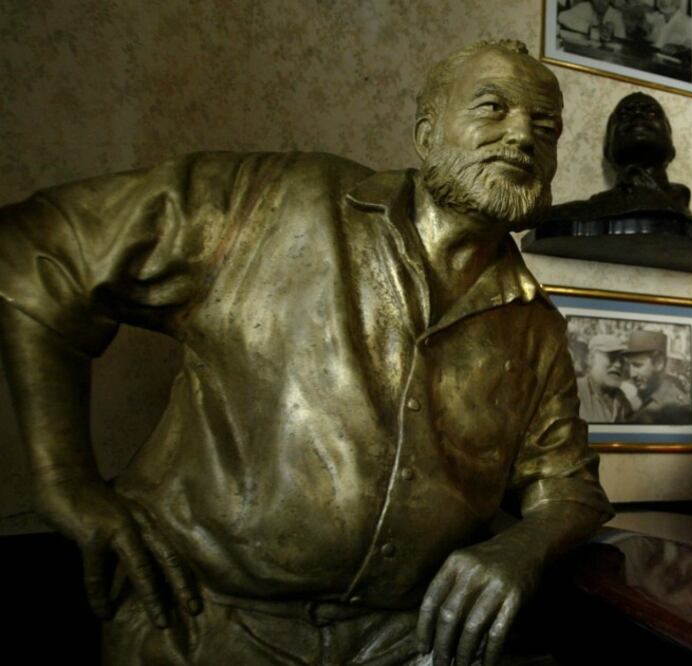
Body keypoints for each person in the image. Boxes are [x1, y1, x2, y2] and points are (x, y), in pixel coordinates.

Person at [0, 40, 613, 665]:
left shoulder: (535, 326)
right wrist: (62, 481)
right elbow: (35, 250)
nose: (521, 137)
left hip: (405, 641)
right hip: (197, 627)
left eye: (546, 126)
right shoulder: (271, 197)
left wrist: (523, 547)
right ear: (427, 134)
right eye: (493, 108)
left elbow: (567, 486)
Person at [623, 329, 692, 425]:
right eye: (629, 366)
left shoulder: (678, 408)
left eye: (638, 365)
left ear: (659, 363)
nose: (632, 374)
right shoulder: (636, 400)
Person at [576, 333, 632, 423]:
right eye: (612, 357)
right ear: (591, 359)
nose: (618, 364)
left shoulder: (623, 401)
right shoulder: (574, 393)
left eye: (622, 359)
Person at [558, 0, 626, 42]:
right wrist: (591, 28)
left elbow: (622, 39)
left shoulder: (615, 15)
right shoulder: (585, 7)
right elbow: (562, 16)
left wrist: (613, 33)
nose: (600, 2)